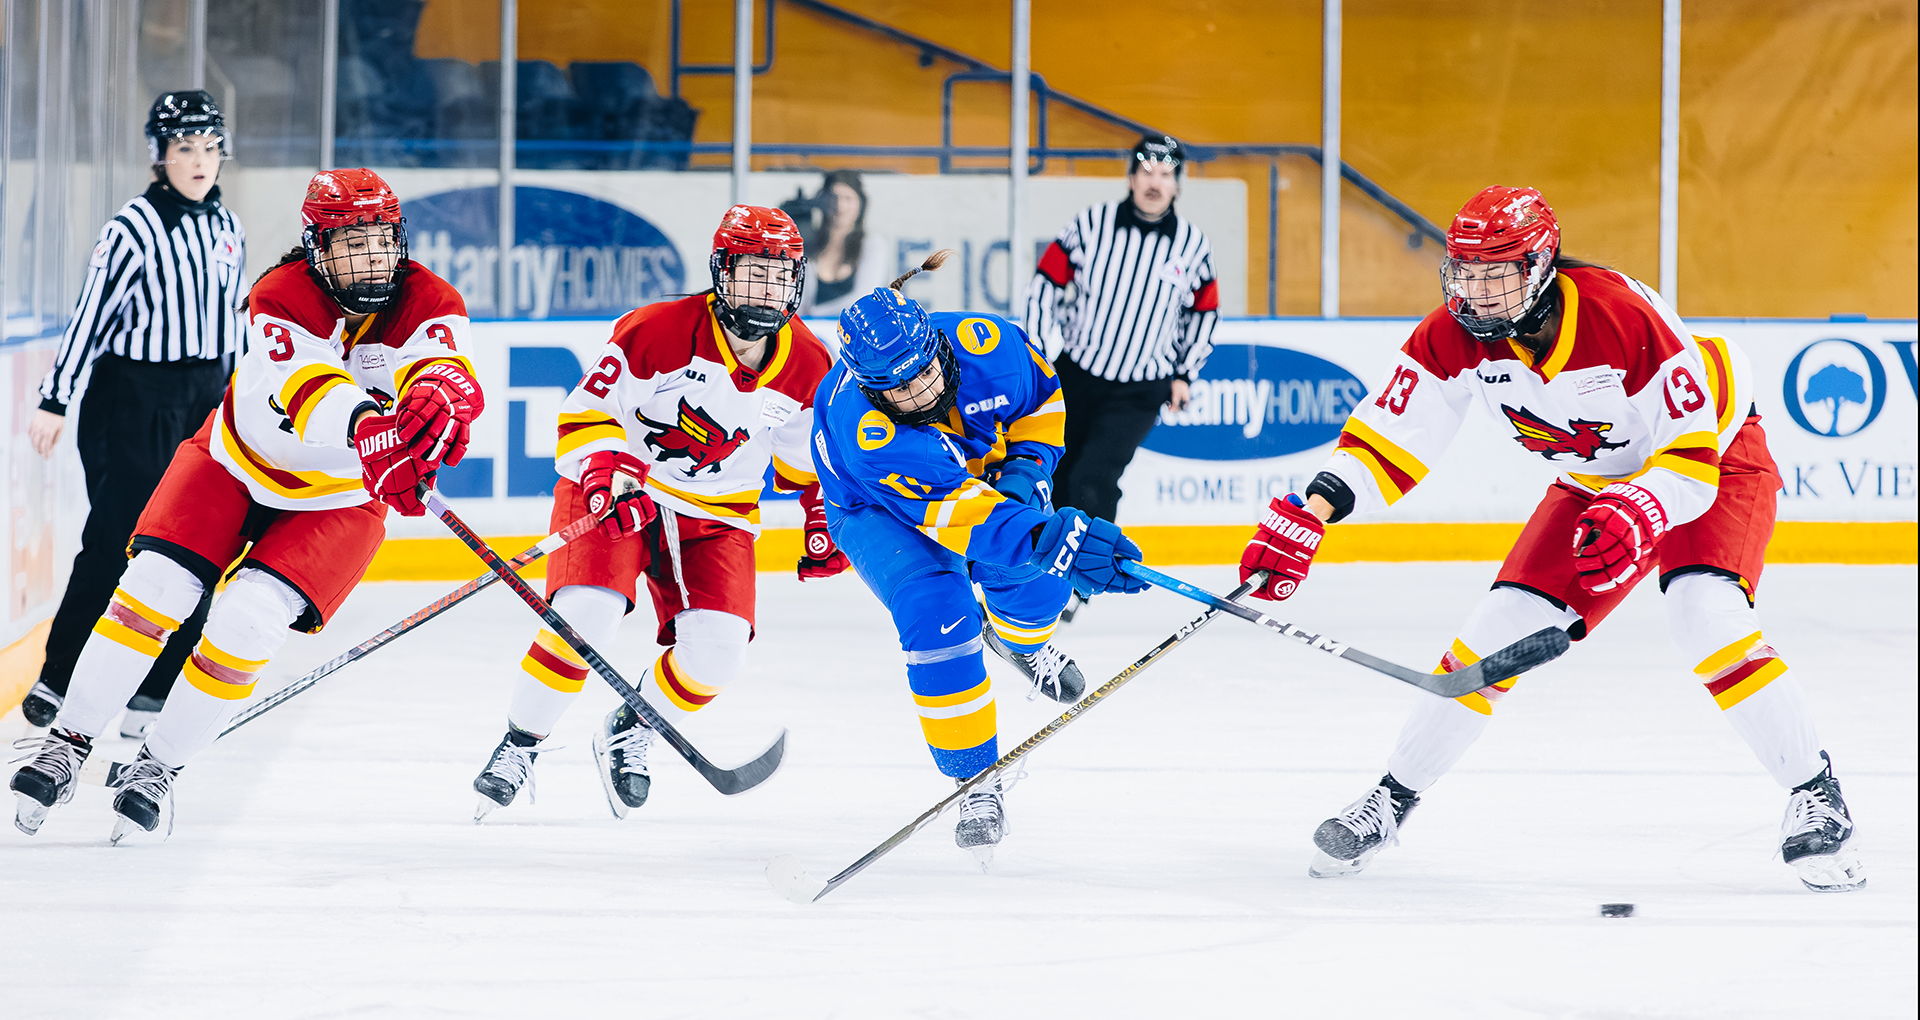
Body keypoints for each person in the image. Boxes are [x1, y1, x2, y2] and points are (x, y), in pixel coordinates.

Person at [1237, 186, 1863, 893]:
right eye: (1465, 272)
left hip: (1712, 457)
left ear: (1539, 266)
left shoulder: (1620, 315)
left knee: (1704, 614)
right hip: (1595, 483)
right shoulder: (1453, 335)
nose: (1476, 291)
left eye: (1495, 272)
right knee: (1489, 639)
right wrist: (1314, 511)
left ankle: (1817, 793)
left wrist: (1640, 507)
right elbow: (1393, 430)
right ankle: (1391, 799)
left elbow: (1689, 459)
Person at [9, 169, 483, 841]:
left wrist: (442, 412)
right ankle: (69, 741)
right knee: (153, 589)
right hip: (234, 464)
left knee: (249, 621)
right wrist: (368, 428)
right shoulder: (280, 293)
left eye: (382, 241)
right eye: (352, 243)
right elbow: (307, 384)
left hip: (340, 500)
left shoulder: (430, 299)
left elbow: (446, 370)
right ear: (317, 245)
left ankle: (159, 767)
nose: (371, 258)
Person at [470, 205, 839, 822]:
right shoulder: (658, 330)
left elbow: (809, 455)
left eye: (778, 277)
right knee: (586, 616)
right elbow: (583, 413)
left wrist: (821, 515)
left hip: (717, 515)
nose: (765, 291)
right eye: (751, 273)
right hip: (619, 488)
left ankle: (632, 723)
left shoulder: (806, 360)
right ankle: (520, 743)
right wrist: (606, 472)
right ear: (721, 271)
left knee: (719, 654)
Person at [811, 253, 1151, 864]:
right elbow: (965, 520)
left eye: (923, 374)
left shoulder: (986, 344)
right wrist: (1051, 538)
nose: (917, 393)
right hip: (878, 509)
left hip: (980, 479)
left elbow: (1044, 400)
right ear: (867, 385)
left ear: (938, 345)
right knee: (938, 612)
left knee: (1031, 578)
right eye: (897, 388)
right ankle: (976, 779)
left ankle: (1021, 641)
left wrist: (1026, 473)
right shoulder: (864, 428)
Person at [22, 90, 248, 738]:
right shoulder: (132, 229)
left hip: (205, 397)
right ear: (160, 155)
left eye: (209, 148)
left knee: (198, 543)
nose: (200, 161)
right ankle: (57, 677)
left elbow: (235, 325)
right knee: (119, 540)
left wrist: (245, 398)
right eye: (185, 148)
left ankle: (155, 689)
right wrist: (56, 398)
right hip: (132, 399)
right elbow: (90, 316)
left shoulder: (227, 228)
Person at [1025, 134, 1219, 619]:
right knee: (1055, 468)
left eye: (1166, 174)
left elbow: (1203, 311)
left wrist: (1184, 372)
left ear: (1178, 184)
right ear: (1131, 177)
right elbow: (1044, 286)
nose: (1155, 183)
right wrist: (1036, 350)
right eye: (1147, 172)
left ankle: (1079, 582)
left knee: (1095, 477)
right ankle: (1039, 570)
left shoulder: (1192, 245)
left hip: (1141, 387)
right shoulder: (1089, 225)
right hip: (1075, 374)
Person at [794, 170, 888, 318]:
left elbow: (864, 299)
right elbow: (799, 304)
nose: (840, 205)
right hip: (812, 334)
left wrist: (815, 315)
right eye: (833, 197)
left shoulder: (872, 245)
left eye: (848, 198)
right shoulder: (807, 246)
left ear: (861, 204)